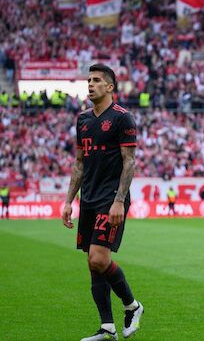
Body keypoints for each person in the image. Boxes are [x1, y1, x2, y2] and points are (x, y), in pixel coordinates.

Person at [62, 64, 144, 340]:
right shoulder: (82, 120)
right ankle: (107, 326)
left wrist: (119, 200)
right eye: (89, 80)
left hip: (111, 199)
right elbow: (78, 163)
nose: (90, 84)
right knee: (93, 263)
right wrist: (68, 201)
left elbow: (129, 161)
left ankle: (132, 306)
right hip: (89, 198)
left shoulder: (123, 118)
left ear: (110, 87)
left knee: (99, 258)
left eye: (97, 80)